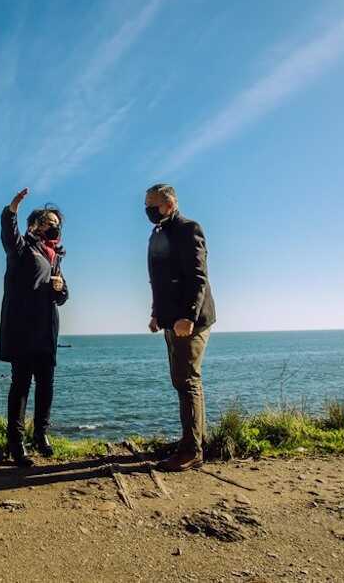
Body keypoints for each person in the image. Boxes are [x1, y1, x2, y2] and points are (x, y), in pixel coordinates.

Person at [145, 183, 216, 472]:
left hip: (191, 322)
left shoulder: (189, 228)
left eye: (154, 205)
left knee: (187, 381)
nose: (148, 210)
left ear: (170, 204)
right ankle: (193, 442)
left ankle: (191, 451)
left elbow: (198, 277)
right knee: (181, 380)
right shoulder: (158, 232)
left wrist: (188, 316)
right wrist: (155, 313)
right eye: (146, 205)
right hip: (171, 320)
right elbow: (159, 280)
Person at [0, 187, 69, 467]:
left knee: (46, 385)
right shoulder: (22, 248)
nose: (53, 227)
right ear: (34, 226)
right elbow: (9, 235)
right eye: (48, 223)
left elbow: (63, 297)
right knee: (20, 386)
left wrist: (61, 288)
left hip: (47, 331)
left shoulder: (55, 258)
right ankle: (16, 444)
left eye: (56, 224)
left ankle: (41, 435)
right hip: (22, 329)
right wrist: (11, 210)